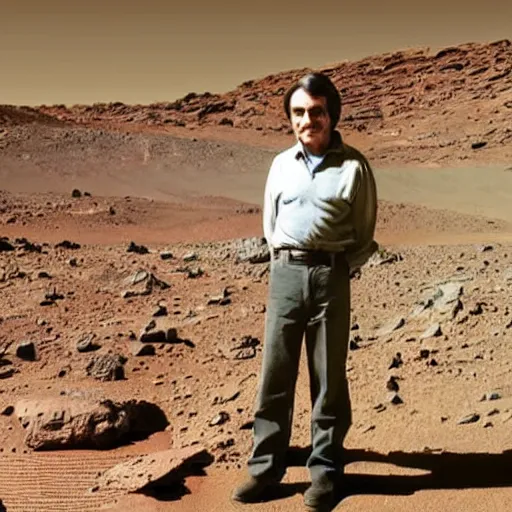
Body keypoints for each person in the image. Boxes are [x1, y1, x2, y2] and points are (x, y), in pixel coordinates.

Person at [232, 72, 378, 511]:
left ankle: (326, 472)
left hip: (331, 277)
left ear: (332, 115)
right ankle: (265, 466)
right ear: (290, 118)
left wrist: (334, 268)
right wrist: (288, 264)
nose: (307, 120)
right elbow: (270, 225)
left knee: (329, 376)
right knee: (275, 372)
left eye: (316, 111)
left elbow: (363, 231)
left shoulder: (354, 166)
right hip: (285, 275)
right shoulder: (280, 165)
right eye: (299, 112)